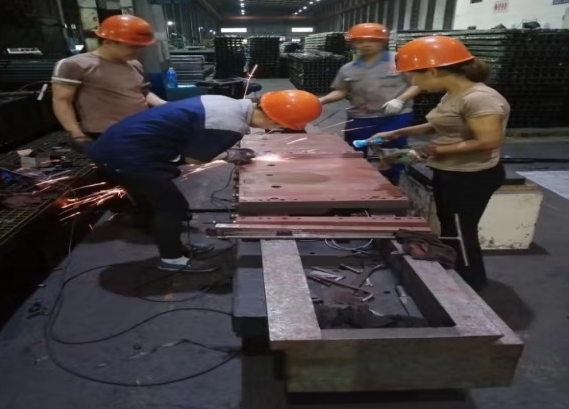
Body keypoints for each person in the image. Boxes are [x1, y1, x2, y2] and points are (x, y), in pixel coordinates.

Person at [85, 90, 322, 273]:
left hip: (115, 143)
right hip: (127, 156)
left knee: (156, 204)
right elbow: (195, 159)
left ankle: (175, 247)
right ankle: (173, 260)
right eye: (279, 127)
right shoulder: (231, 125)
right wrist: (229, 155)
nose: (274, 130)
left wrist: (224, 152)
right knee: (172, 208)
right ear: (274, 120)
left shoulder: (226, 102)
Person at [367, 36, 510, 291]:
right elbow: (441, 124)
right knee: (450, 227)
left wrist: (430, 151)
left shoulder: (479, 98)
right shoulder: (453, 95)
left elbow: (488, 141)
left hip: (471, 176)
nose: (413, 83)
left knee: (461, 231)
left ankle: (471, 285)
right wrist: (397, 132)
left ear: (432, 71)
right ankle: (456, 272)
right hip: (450, 171)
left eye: (413, 76)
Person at [319, 23, 421, 183]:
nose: (366, 45)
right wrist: (321, 100)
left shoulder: (399, 60)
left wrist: (399, 100)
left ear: (383, 41)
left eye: (372, 40)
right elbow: (341, 91)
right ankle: (357, 185)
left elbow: (418, 84)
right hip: (360, 118)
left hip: (394, 117)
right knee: (354, 153)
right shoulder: (348, 68)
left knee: (392, 155)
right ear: (353, 44)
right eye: (359, 41)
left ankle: (391, 186)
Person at [52, 15, 167, 148]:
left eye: (141, 47)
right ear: (108, 42)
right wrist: (76, 134)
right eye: (133, 47)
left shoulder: (134, 64)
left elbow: (143, 92)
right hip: (106, 133)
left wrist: (167, 105)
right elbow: (62, 101)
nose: (139, 52)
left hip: (140, 127)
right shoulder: (74, 65)